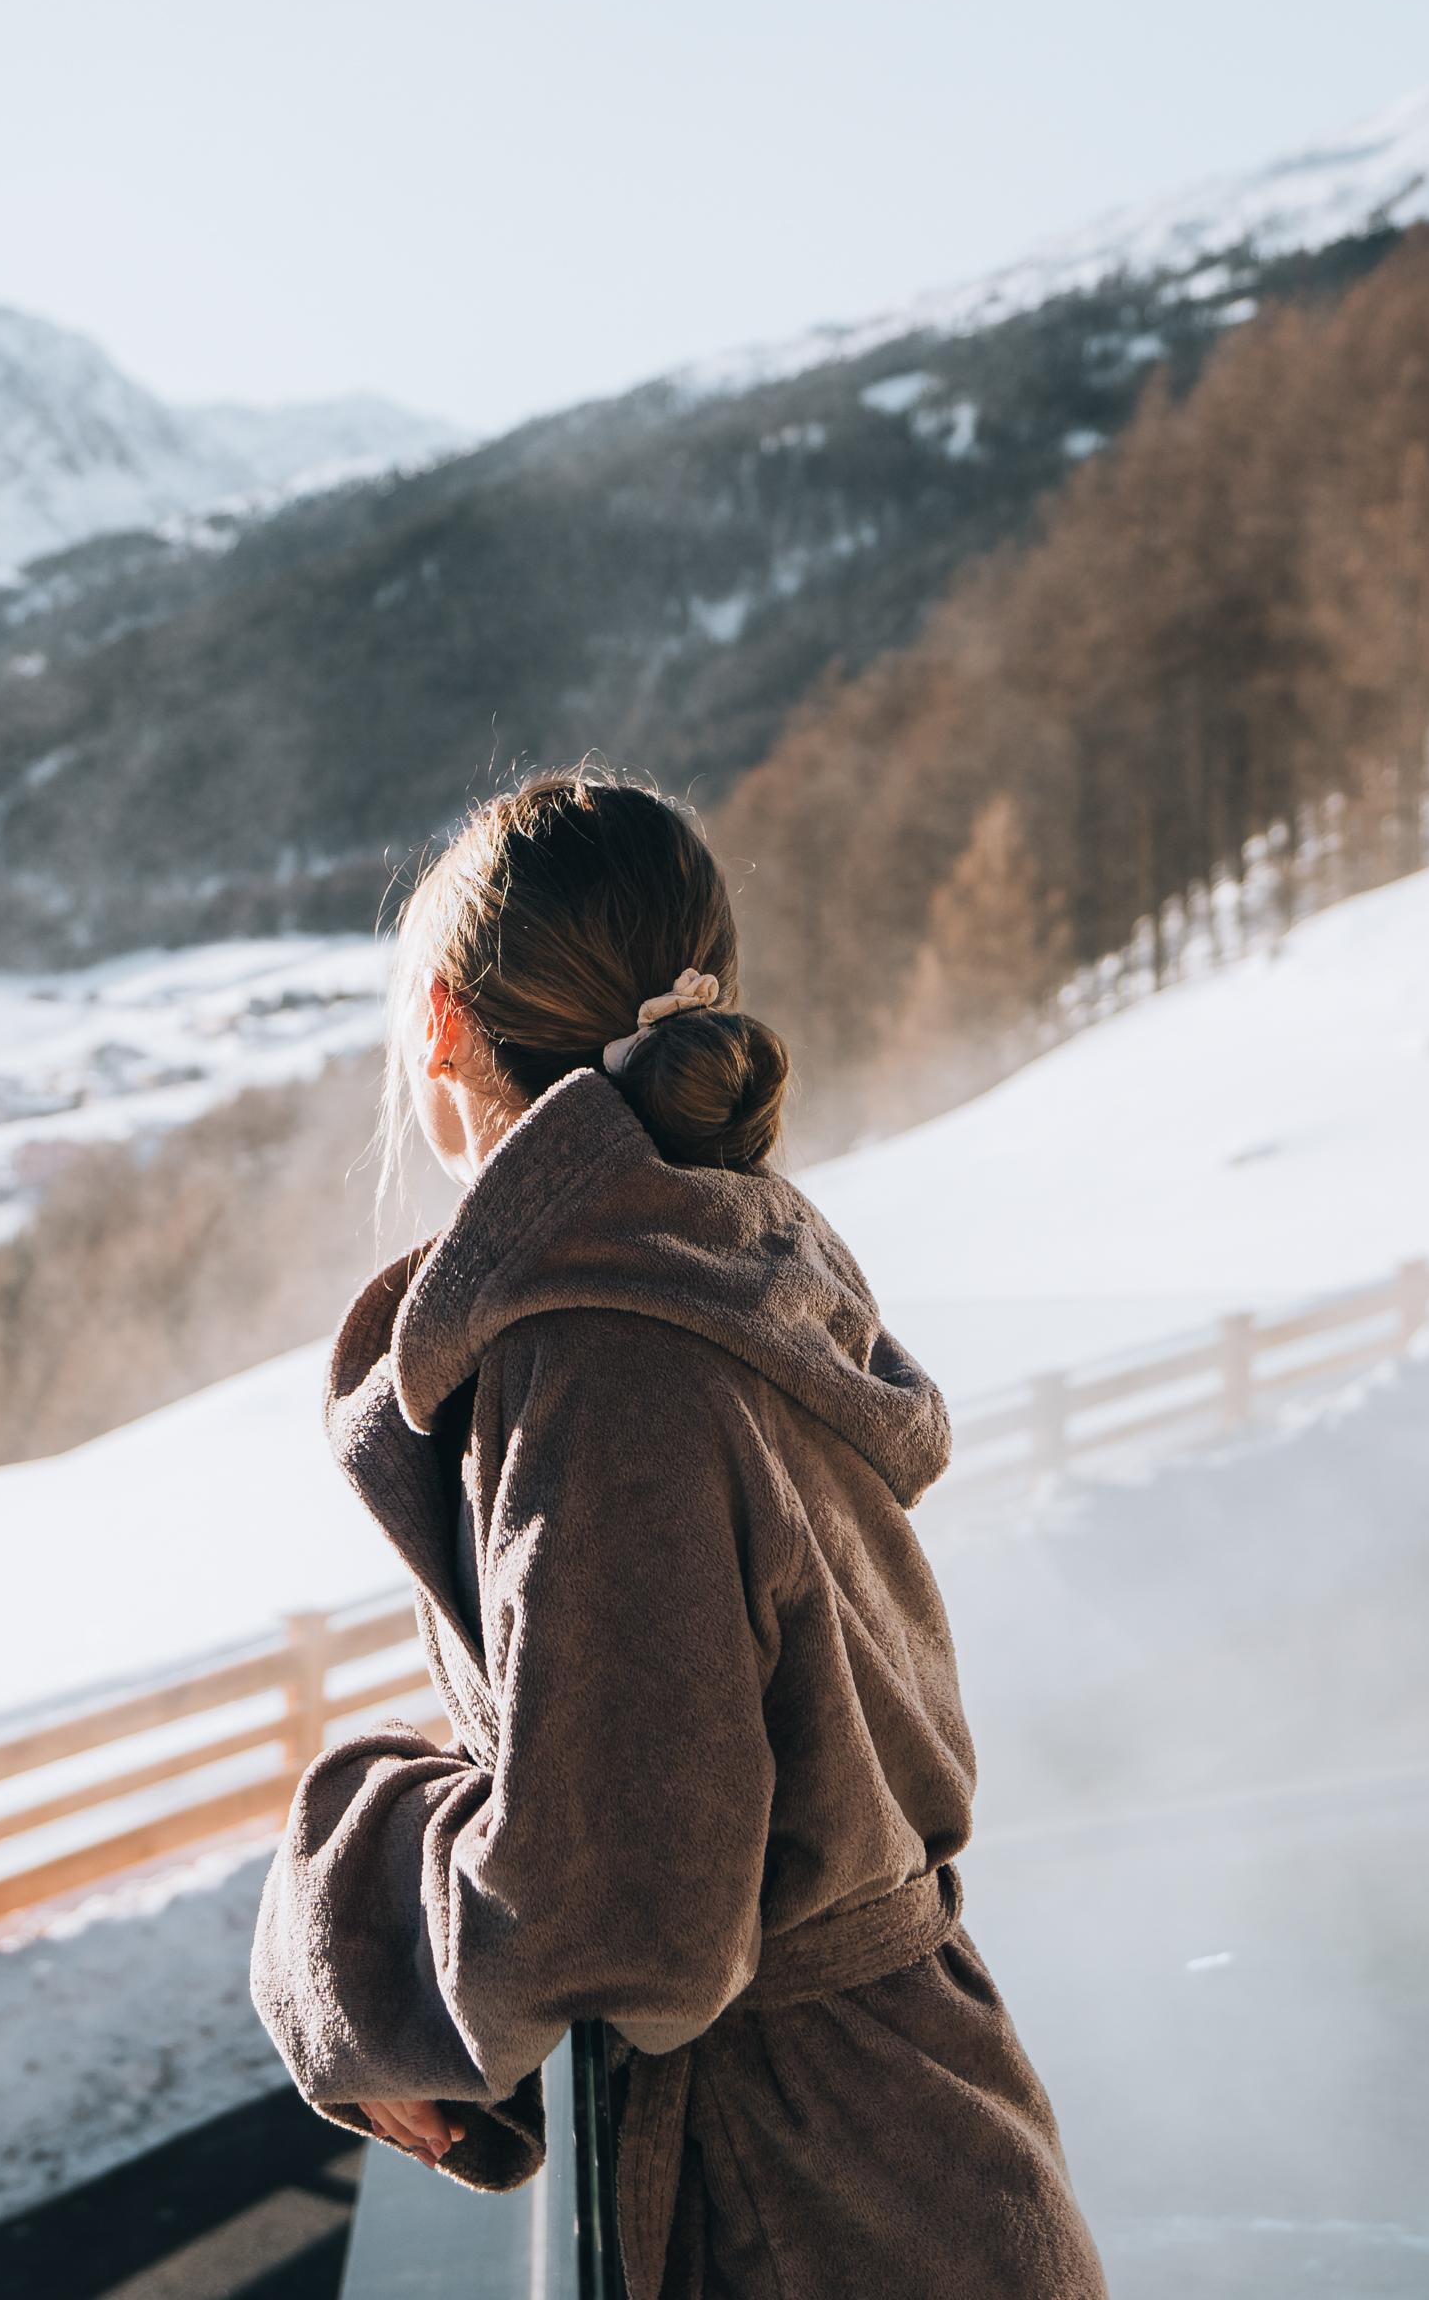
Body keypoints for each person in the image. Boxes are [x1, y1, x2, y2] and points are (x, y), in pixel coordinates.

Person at [248, 769, 1107, 2299]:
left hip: (809, 2209)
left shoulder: (606, 1356)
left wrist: (348, 1887)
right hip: (908, 2154)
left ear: (442, 1025)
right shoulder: (724, 1269)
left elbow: (619, 1905)